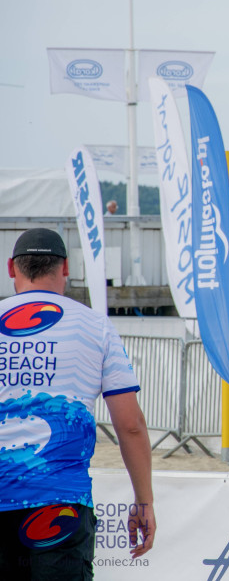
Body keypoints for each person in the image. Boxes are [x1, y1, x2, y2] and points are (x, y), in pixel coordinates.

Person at [0, 229, 155, 577]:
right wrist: (144, 501)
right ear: (66, 267)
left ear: (11, 268)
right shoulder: (95, 326)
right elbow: (130, 424)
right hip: (58, 502)